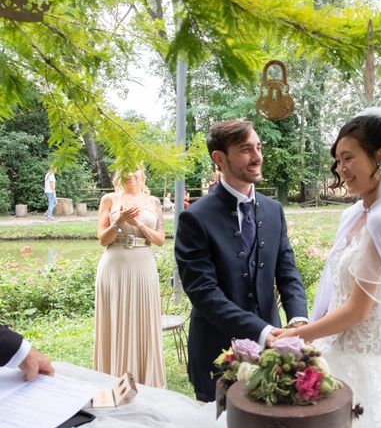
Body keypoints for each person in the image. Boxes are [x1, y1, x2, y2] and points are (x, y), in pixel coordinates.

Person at [275, 108, 381, 428]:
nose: (341, 169)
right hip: (331, 350)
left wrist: (294, 336)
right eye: (337, 160)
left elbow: (358, 310)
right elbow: (334, 291)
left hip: (359, 363)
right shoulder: (355, 214)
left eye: (348, 158)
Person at [174, 120, 308, 402]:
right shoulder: (195, 218)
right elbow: (204, 293)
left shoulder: (274, 210)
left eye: (258, 147)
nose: (257, 156)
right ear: (219, 158)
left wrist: (298, 320)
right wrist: (263, 332)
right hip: (215, 355)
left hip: (273, 355)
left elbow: (287, 270)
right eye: (246, 149)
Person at [93, 166, 166, 388]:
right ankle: (112, 378)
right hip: (114, 266)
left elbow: (160, 240)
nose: (130, 174)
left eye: (135, 170)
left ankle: (146, 380)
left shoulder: (153, 202)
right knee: (114, 320)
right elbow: (103, 239)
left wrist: (138, 224)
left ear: (142, 173)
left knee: (143, 319)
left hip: (143, 266)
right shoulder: (109, 199)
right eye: (126, 170)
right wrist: (119, 220)